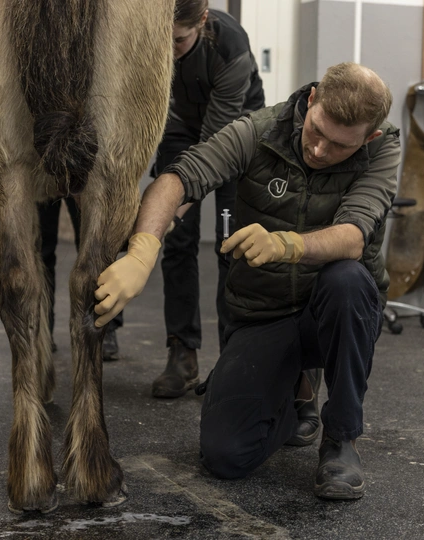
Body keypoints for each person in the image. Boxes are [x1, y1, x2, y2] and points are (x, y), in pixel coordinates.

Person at [94, 63, 401, 499]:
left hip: (330, 313)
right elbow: (179, 177)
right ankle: (294, 398)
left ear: (367, 138)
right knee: (225, 456)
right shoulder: (259, 130)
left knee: (348, 280)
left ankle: (341, 439)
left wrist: (287, 245)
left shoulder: (382, 149)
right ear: (311, 100)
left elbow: (353, 236)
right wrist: (143, 249)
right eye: (316, 131)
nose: (318, 150)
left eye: (338, 146)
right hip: (263, 313)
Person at [151, 0, 268, 399]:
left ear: (201, 22)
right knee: (178, 244)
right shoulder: (154, 36)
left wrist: (169, 209)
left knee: (229, 246)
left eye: (179, 41)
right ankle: (181, 354)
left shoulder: (230, 44)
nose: (169, 51)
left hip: (236, 131)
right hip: (180, 126)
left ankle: (231, 360)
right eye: (163, 42)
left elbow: (214, 148)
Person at [37, 197, 121, 360]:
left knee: (94, 248)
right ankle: (42, 329)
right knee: (40, 248)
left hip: (86, 171)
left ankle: (103, 326)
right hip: (39, 172)